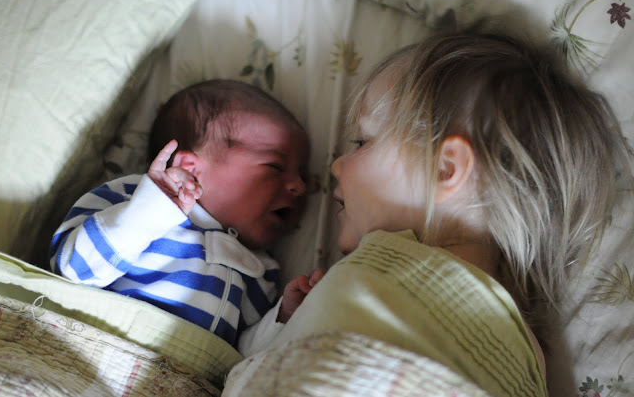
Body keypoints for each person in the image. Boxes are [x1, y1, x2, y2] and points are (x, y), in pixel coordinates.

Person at [249, 31, 632, 397]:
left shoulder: (390, 276)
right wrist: (293, 328)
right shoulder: (529, 354)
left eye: (362, 142)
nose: (335, 166)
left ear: (444, 169)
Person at [49, 79, 324, 357]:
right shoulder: (134, 200)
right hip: (93, 351)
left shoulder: (260, 271)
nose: (299, 186)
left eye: (302, 174)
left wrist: (283, 317)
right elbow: (74, 270)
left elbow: (239, 356)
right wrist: (150, 211)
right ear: (191, 169)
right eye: (275, 166)